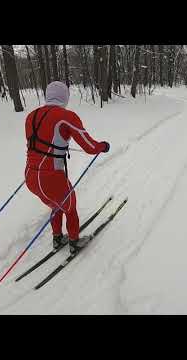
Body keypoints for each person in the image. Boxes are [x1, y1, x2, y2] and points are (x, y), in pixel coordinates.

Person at [25, 81, 110, 254]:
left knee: (56, 206)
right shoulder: (66, 116)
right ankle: (74, 242)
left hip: (30, 176)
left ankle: (57, 239)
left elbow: (39, 144)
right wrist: (102, 146)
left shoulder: (31, 116)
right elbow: (89, 146)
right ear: (65, 97)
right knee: (70, 208)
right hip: (51, 177)